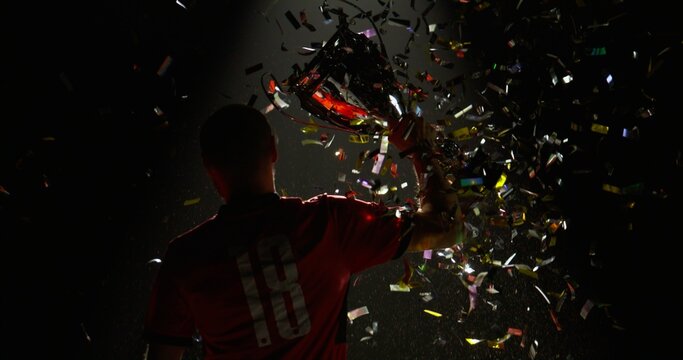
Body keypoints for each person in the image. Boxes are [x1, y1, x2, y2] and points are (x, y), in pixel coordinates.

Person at [143, 104, 464, 360]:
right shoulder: (331, 222)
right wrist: (418, 149)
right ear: (273, 149)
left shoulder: (185, 258)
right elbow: (446, 228)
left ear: (209, 168)